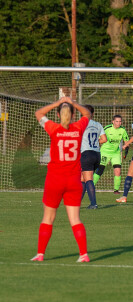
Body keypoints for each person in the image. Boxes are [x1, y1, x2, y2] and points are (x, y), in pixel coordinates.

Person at [31, 97, 92, 263]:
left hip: (55, 180)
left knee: (48, 218)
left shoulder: (54, 128)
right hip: (73, 181)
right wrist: (73, 103)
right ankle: (84, 254)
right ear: (72, 115)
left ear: (58, 115)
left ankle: (40, 254)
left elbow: (38, 113)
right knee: (75, 219)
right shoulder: (78, 127)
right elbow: (87, 113)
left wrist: (58, 103)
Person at [93, 115, 130, 195]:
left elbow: (127, 142)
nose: (118, 123)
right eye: (117, 121)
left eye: (120, 121)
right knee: (100, 170)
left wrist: (125, 151)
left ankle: (116, 190)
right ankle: (91, 186)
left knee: (118, 171)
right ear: (113, 121)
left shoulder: (123, 130)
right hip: (105, 152)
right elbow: (98, 140)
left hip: (116, 153)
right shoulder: (107, 128)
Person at [80, 105, 107, 209]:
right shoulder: (98, 124)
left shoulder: (82, 124)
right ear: (93, 114)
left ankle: (93, 203)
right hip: (97, 154)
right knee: (82, 179)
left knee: (88, 179)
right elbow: (104, 139)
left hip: (87, 154)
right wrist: (95, 142)